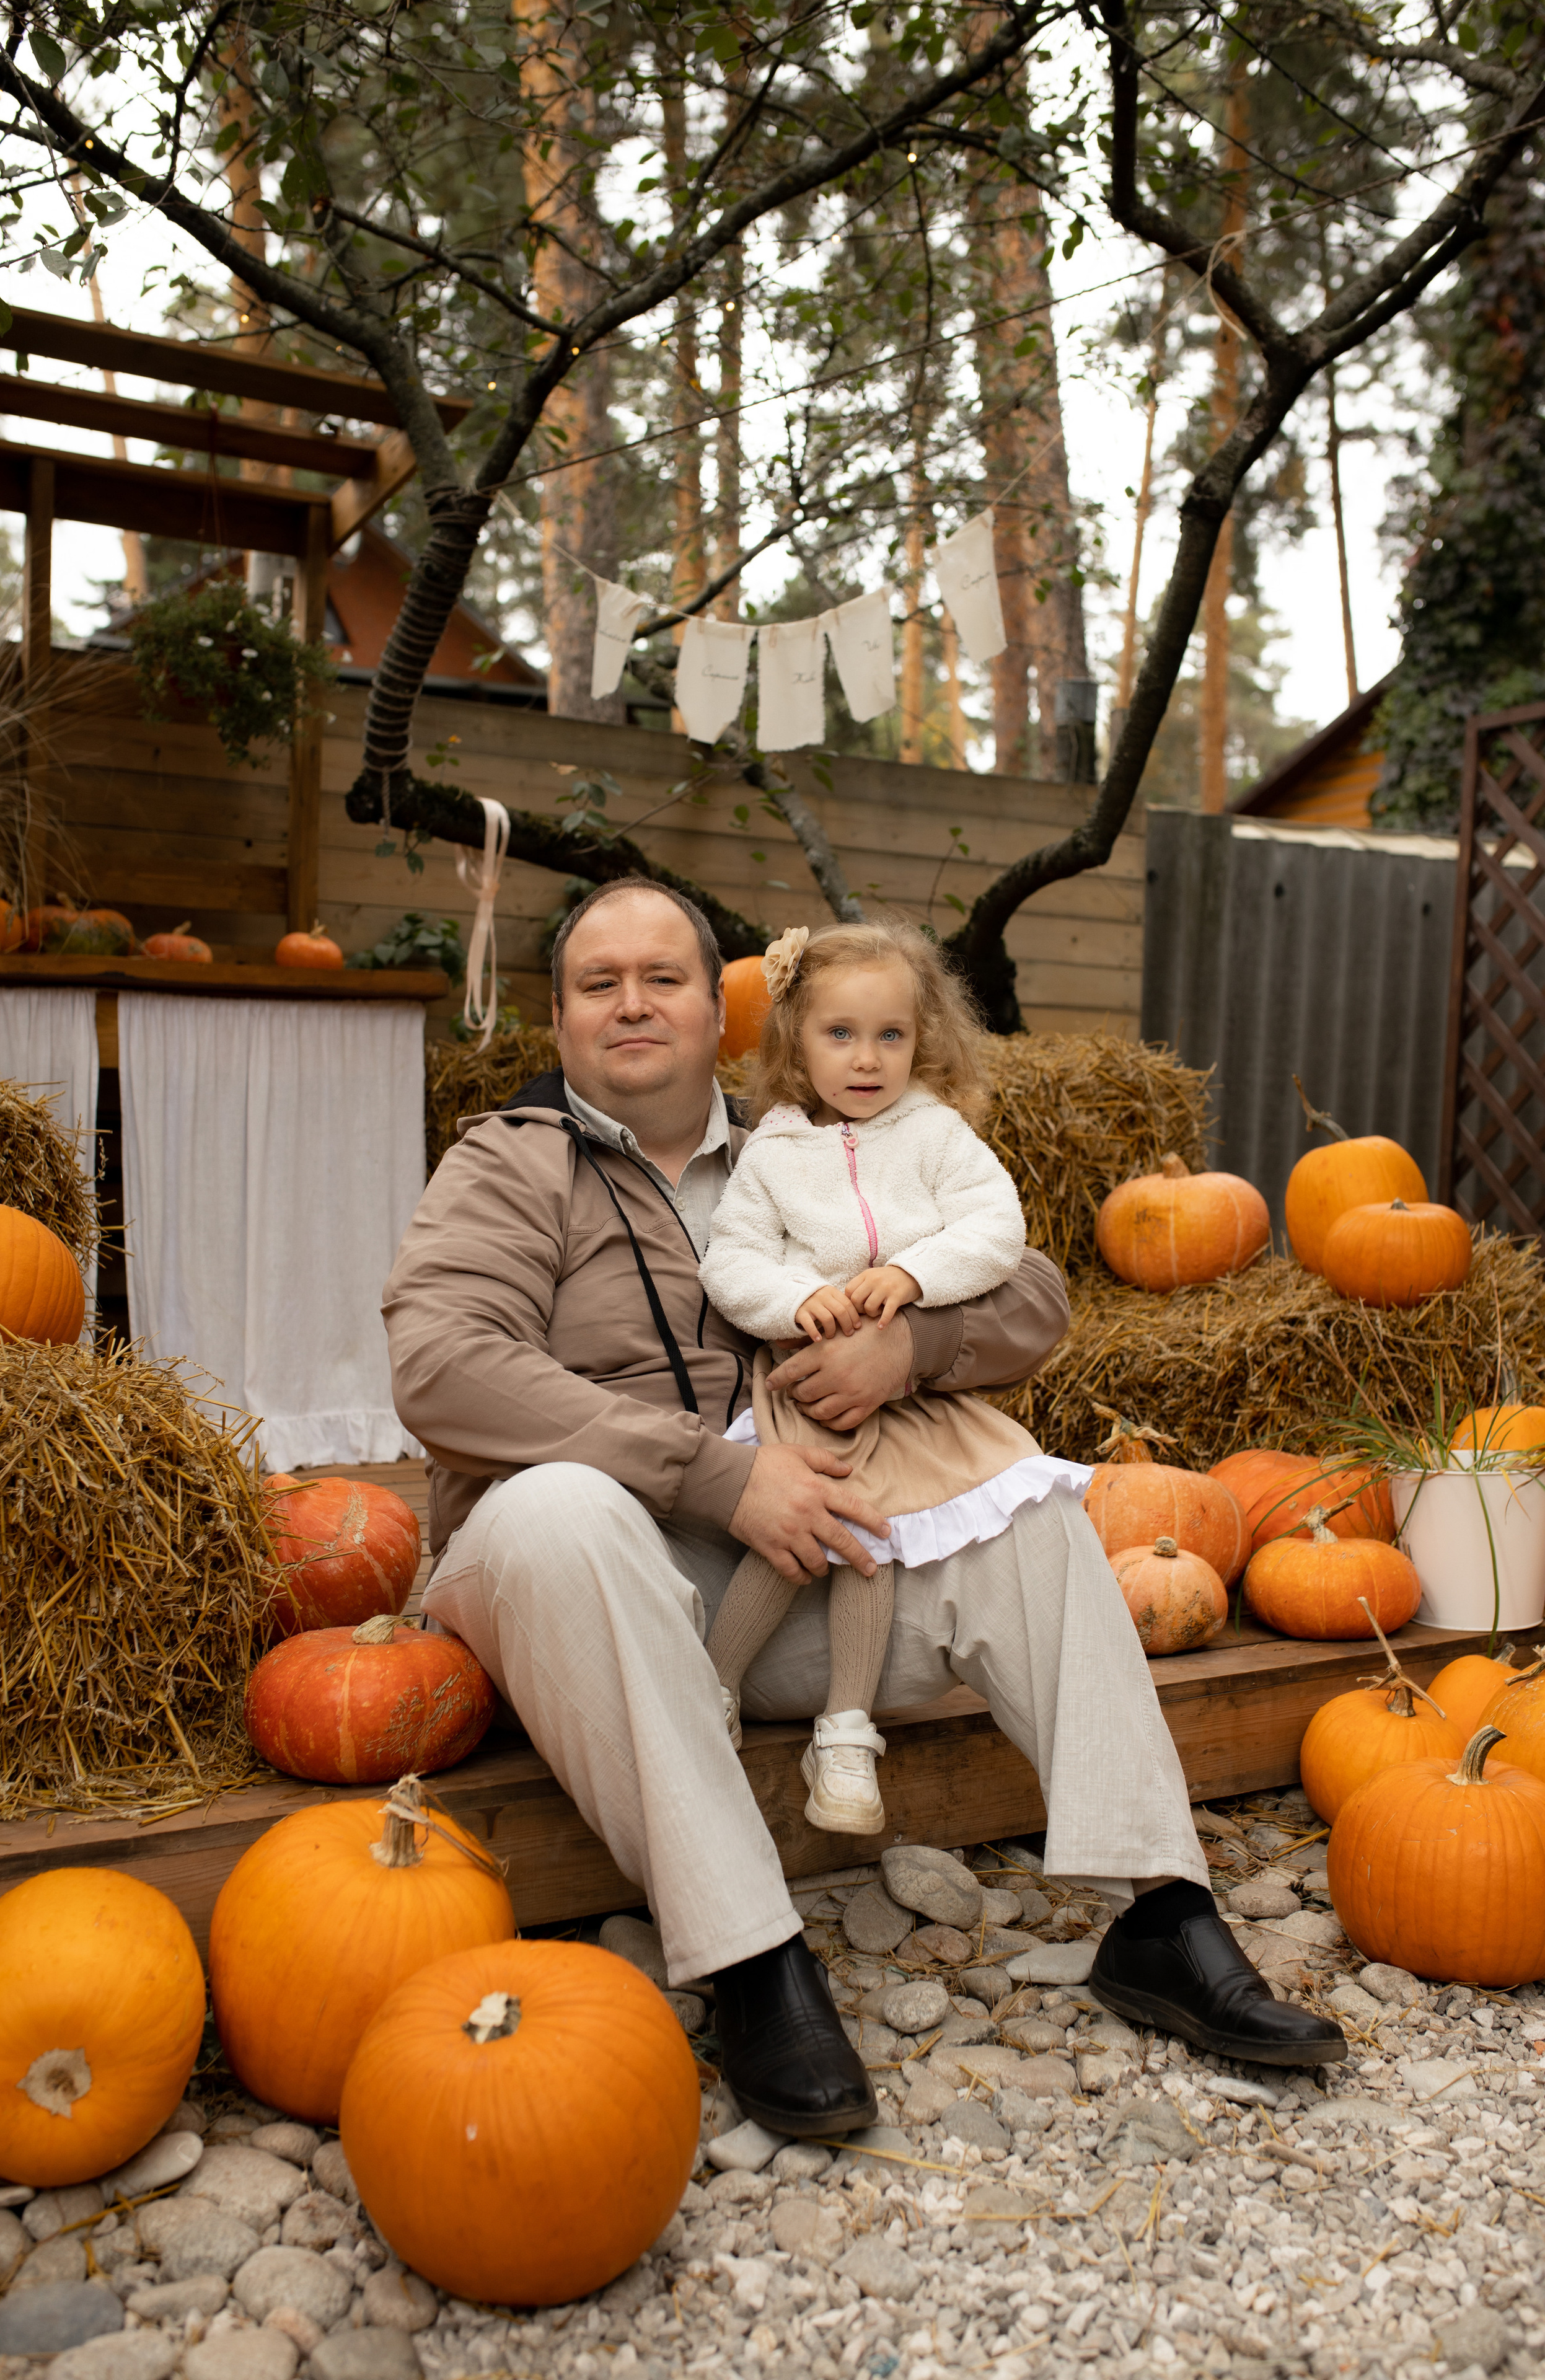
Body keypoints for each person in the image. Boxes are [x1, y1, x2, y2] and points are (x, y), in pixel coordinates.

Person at [383, 876, 1344, 2141]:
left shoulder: (813, 1136)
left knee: (1023, 1509)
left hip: (781, 1579)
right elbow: (440, 1365)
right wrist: (710, 1472)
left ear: (720, 1009)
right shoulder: (510, 1163)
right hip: (581, 1585)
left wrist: (913, 1347)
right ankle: (751, 1964)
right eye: (595, 982)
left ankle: (1164, 1916)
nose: (631, 1004)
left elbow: (1035, 1293)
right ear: (556, 1019)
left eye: (661, 977)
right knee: (564, 1507)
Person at [699, 915, 1089, 1837]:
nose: (867, 1059)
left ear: (925, 1041)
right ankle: (708, 1689)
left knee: (874, 1538)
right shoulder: (775, 1153)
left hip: (906, 1395)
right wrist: (798, 1301)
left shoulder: (937, 1137)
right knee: (800, 1534)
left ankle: (845, 1732)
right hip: (807, 1382)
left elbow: (997, 1232)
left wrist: (914, 1282)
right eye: (840, 1034)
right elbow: (733, 1263)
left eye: (891, 1035)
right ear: (795, 1039)